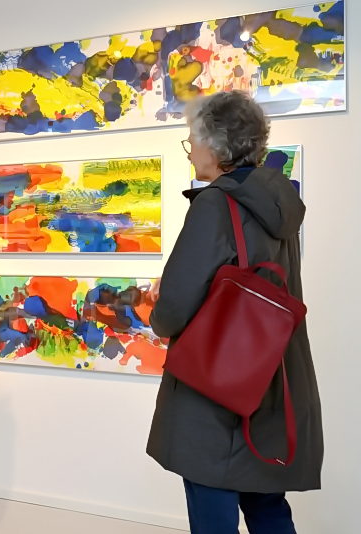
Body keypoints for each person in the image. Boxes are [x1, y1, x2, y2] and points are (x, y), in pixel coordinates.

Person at [146, 90, 323, 533]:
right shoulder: (279, 203)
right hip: (271, 377)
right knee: (266, 505)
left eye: (192, 139)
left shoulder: (215, 204)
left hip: (215, 386)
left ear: (216, 145)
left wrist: (158, 311)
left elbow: (175, 306)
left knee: (213, 510)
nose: (190, 150)